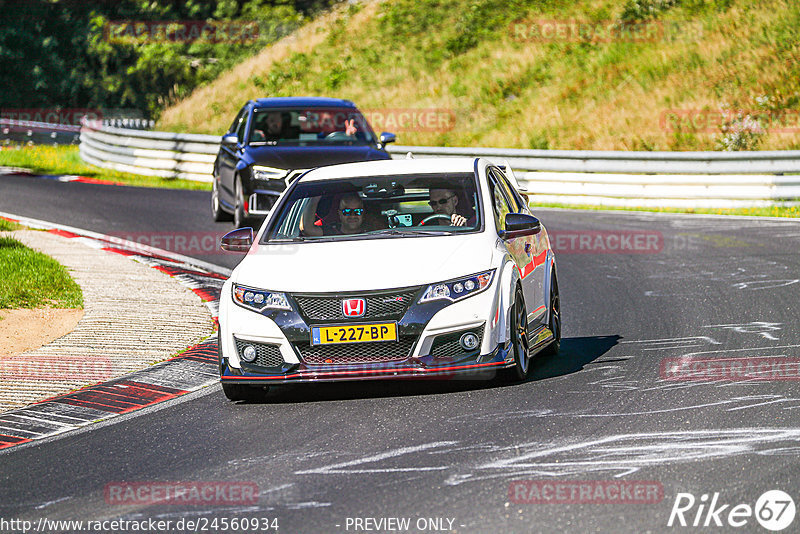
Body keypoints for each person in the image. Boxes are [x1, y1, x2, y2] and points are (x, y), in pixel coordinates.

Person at [300, 194, 365, 236]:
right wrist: (315, 199)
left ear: (363, 213)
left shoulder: (371, 232)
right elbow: (308, 229)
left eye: (358, 211)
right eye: (347, 212)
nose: (353, 216)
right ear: (340, 214)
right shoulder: (331, 232)